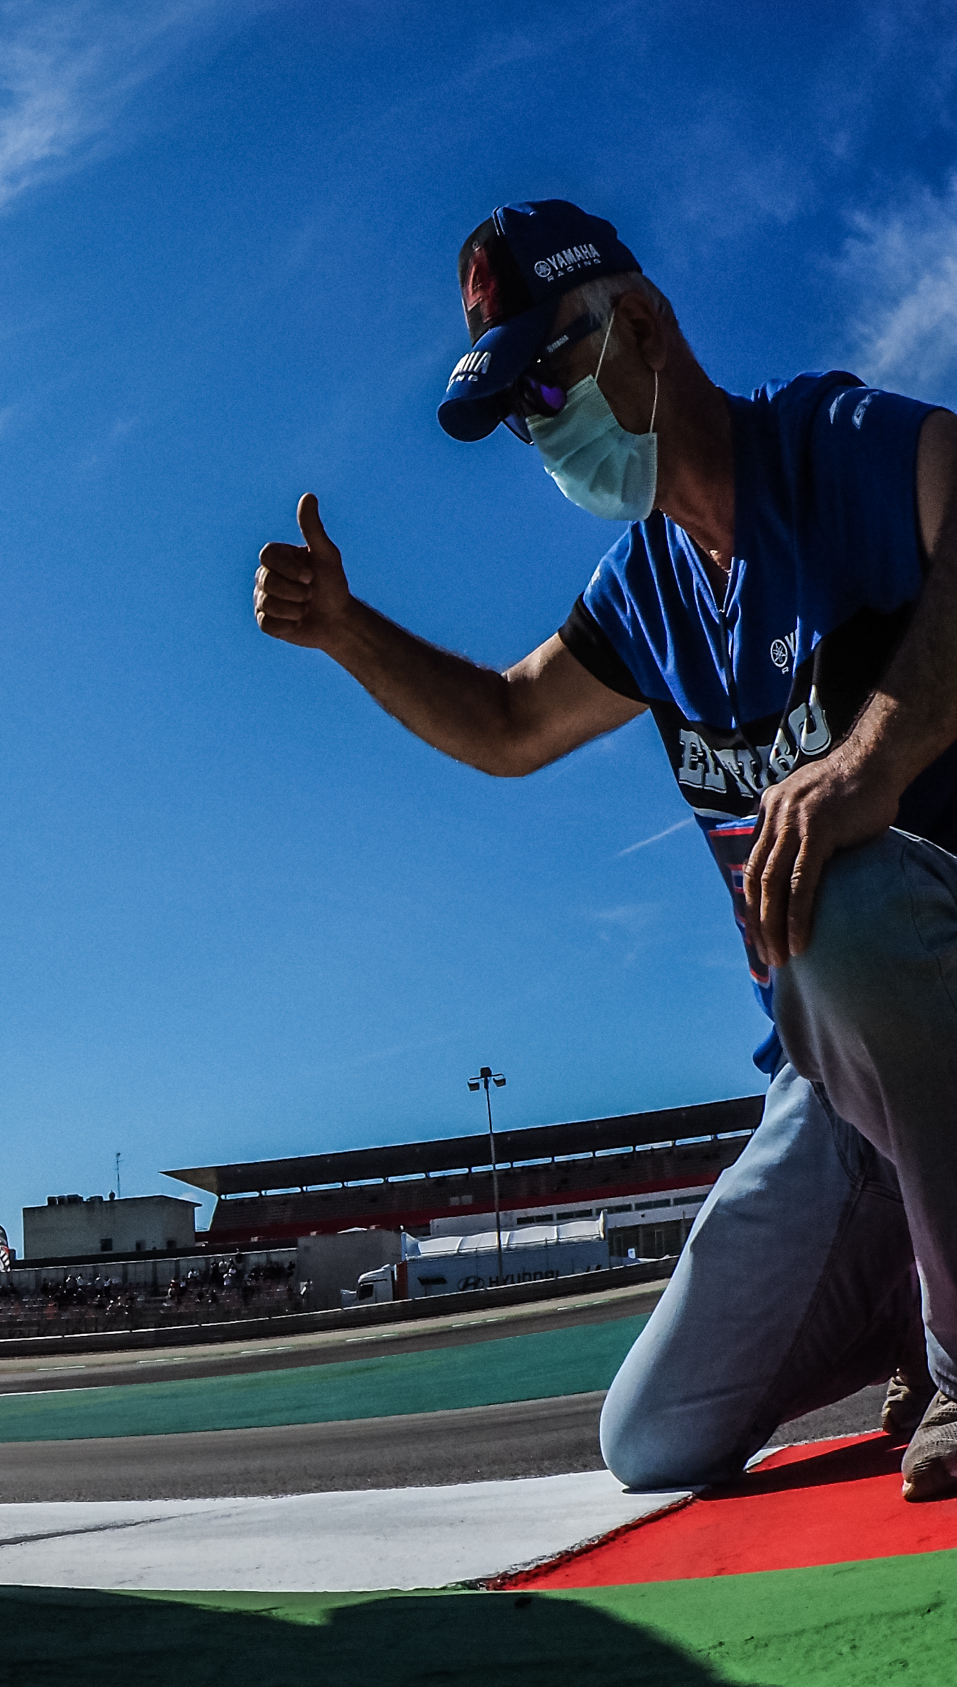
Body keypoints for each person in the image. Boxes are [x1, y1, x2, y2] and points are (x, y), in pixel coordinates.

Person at [251, 199, 957, 1498]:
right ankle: (915, 1300)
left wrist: (871, 762)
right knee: (653, 1436)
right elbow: (509, 721)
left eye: (546, 381)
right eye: (512, 412)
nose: (539, 427)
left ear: (641, 323)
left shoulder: (832, 449)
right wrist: (348, 630)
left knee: (845, 905)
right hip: (833, 1080)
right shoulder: (645, 590)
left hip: (933, 983)